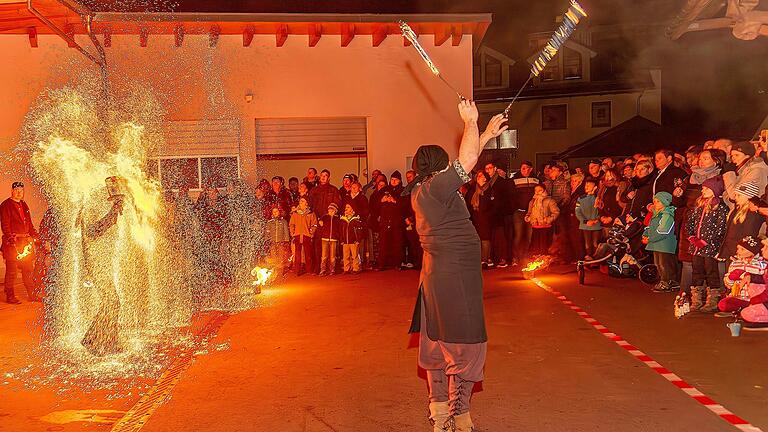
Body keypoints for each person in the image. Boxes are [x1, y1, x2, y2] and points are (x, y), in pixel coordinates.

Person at [407, 101, 506, 431]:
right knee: (464, 343)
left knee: (437, 344)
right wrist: (470, 122)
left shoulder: (426, 190)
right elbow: (466, 162)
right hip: (453, 275)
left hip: (438, 272)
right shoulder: (435, 189)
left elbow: (467, 159)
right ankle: (457, 417)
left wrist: (488, 133)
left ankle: (439, 414)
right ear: (437, 167)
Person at [685, 177, 729, 310]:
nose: (702, 190)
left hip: (710, 248)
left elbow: (721, 228)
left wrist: (706, 241)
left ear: (715, 190)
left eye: (706, 188)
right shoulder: (699, 205)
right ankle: (696, 299)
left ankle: (713, 300)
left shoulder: (720, 208)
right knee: (697, 271)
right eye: (703, 188)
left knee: (711, 271)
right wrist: (692, 237)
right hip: (696, 247)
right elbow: (690, 222)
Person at [1, 182, 38, 304]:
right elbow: (5, 225)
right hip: (13, 244)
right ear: (12, 191)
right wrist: (10, 238)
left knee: (28, 270)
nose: (19, 192)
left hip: (25, 243)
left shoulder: (24, 205)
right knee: (11, 271)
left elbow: (29, 223)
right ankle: (10, 296)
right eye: (16, 190)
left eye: (21, 190)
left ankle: (32, 295)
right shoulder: (5, 205)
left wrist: (34, 234)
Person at [718, 236, 768, 322]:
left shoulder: (761, 264)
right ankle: (742, 309)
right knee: (723, 304)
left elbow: (763, 283)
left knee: (754, 286)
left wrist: (747, 276)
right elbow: (728, 284)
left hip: (756, 297)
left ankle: (749, 310)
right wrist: (730, 278)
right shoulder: (735, 263)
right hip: (739, 297)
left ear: (751, 251)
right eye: (738, 248)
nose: (737, 251)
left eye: (742, 249)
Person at [718, 183, 765, 268]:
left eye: (739, 195)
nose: (735, 197)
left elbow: (748, 235)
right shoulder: (737, 210)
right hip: (732, 251)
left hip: (739, 253)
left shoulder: (752, 214)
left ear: (749, 197)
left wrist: (741, 252)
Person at [642, 192, 678, 293]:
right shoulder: (655, 214)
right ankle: (663, 280)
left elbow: (663, 231)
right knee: (658, 263)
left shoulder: (667, 215)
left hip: (665, 244)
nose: (655, 203)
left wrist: (650, 239)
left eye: (658, 201)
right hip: (656, 244)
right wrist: (645, 234)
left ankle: (668, 281)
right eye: (654, 201)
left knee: (664, 263)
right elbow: (650, 226)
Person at [309, 170, 342, 273]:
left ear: (329, 178)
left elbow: (338, 205)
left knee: (332, 246)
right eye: (322, 175)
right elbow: (310, 205)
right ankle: (319, 268)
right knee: (318, 245)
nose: (323, 177)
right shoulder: (314, 190)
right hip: (318, 221)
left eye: (326, 176)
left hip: (330, 222)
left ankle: (332, 268)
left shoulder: (334, 190)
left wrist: (330, 216)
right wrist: (316, 219)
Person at [509, 161, 539, 265]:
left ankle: (526, 256)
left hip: (532, 212)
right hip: (519, 212)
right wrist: (515, 207)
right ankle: (515, 257)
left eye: (526, 168)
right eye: (522, 168)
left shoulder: (536, 179)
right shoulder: (515, 180)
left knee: (529, 236)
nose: (524, 170)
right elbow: (511, 196)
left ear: (530, 169)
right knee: (518, 235)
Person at [467, 171, 496, 268]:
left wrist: (489, 214)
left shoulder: (489, 189)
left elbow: (493, 204)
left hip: (486, 218)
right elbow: (468, 204)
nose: (480, 177)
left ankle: (485, 259)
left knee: (485, 239)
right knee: (477, 239)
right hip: (475, 218)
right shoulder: (472, 190)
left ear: (486, 178)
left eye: (482, 176)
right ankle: (478, 259)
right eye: (478, 176)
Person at [484, 161, 508, 268]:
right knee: (493, 237)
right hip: (490, 214)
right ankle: (494, 257)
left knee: (500, 236)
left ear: (495, 168)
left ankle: (503, 257)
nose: (488, 170)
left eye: (490, 168)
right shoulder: (487, 182)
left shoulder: (501, 181)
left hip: (499, 213)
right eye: (486, 168)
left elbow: (505, 197)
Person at [525, 184, 560, 255]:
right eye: (536, 190)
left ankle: (545, 261)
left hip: (546, 227)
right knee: (535, 247)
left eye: (539, 190)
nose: (537, 192)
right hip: (535, 226)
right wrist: (528, 217)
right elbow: (529, 212)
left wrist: (548, 219)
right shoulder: (532, 201)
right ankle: (537, 261)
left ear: (544, 190)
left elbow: (556, 212)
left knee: (545, 247)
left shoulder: (549, 200)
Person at [376, 192, 404, 271]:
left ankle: (397, 264)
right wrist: (381, 201)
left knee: (397, 244)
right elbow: (374, 209)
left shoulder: (400, 194)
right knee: (383, 245)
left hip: (396, 225)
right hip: (384, 225)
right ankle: (381, 264)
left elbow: (404, 207)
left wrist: (394, 201)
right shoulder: (381, 200)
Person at [289, 197, 317, 276]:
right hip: (297, 235)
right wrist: (292, 232)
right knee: (297, 255)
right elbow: (291, 224)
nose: (300, 202)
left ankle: (309, 270)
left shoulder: (311, 213)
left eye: (303, 201)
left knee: (308, 254)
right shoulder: (295, 213)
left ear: (306, 203)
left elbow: (314, 224)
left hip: (306, 236)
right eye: (300, 201)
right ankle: (297, 270)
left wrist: (311, 232)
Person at [575, 179, 601, 260]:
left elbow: (602, 211)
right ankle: (588, 257)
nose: (586, 187)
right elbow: (577, 212)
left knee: (595, 243)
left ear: (595, 187)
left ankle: (596, 258)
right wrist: (585, 221)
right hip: (585, 225)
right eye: (586, 185)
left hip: (596, 225)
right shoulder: (581, 199)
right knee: (587, 243)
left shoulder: (598, 198)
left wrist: (596, 220)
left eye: (589, 185)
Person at [340, 203, 365, 274]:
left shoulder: (355, 219)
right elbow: (341, 230)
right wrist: (342, 240)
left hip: (353, 241)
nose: (346, 208)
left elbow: (359, 230)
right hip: (345, 241)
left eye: (348, 207)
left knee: (355, 256)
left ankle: (356, 269)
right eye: (346, 207)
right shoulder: (343, 219)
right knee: (346, 256)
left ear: (352, 209)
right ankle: (346, 269)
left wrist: (358, 240)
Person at [265, 206, 291, 275]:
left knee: (280, 256)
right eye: (274, 212)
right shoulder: (270, 222)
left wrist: (286, 240)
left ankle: (280, 271)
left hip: (281, 241)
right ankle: (274, 271)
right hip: (273, 242)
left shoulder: (283, 221)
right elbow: (267, 232)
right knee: (273, 256)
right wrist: (267, 239)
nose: (275, 213)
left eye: (276, 211)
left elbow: (286, 231)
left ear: (279, 212)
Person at [318, 203, 341, 276]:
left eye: (332, 210)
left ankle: (332, 269)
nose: (330, 211)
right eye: (329, 209)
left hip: (333, 239)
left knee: (332, 256)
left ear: (335, 211)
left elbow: (339, 229)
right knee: (324, 256)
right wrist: (320, 223)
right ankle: (323, 270)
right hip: (325, 238)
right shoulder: (324, 217)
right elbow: (320, 224)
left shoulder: (337, 219)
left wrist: (337, 236)